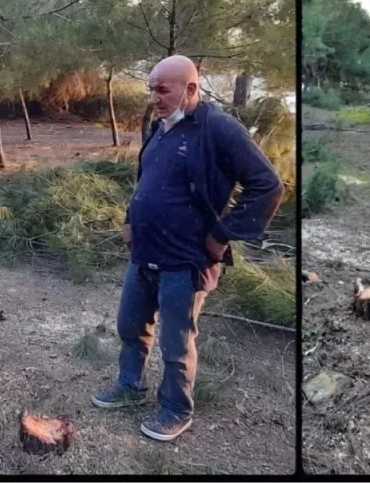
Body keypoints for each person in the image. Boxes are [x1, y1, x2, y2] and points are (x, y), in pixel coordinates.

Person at [90, 55, 284, 440]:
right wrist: (131, 218)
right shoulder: (161, 126)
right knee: (130, 325)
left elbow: (268, 185)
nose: (153, 98)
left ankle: (177, 409)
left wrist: (221, 234)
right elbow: (147, 178)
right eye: (150, 89)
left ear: (191, 89)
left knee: (176, 342)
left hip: (185, 260)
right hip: (145, 253)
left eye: (162, 89)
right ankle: (130, 387)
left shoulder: (219, 129)